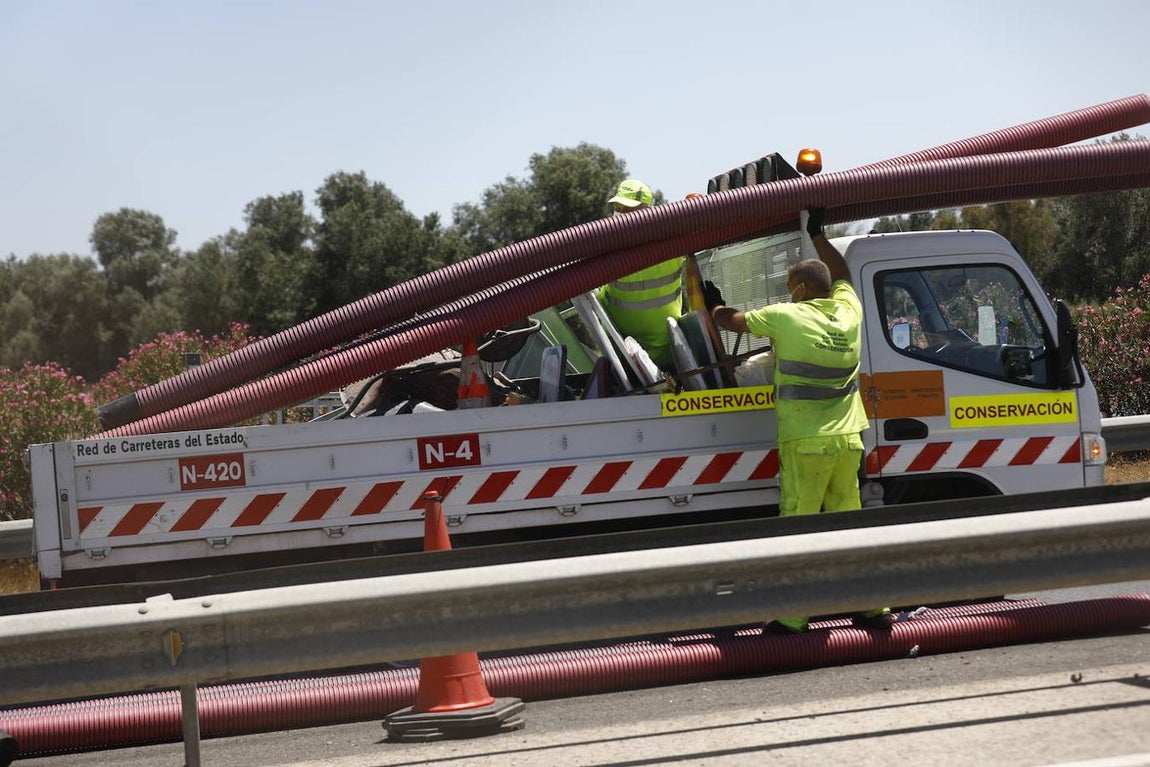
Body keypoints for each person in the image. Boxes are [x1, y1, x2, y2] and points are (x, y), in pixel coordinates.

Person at [709, 208, 892, 633]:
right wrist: (818, 235)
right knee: (849, 524)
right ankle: (872, 607)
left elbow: (734, 322)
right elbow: (842, 273)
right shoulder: (849, 311)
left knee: (799, 526)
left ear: (803, 289)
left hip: (806, 443)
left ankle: (792, 618)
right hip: (848, 440)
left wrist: (712, 302)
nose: (790, 295)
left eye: (793, 288)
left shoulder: (786, 317)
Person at [598, 179, 684, 371]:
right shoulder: (672, 244)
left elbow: (602, 300)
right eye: (618, 208)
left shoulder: (612, 255)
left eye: (628, 209)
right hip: (634, 353)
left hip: (636, 357)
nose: (622, 215)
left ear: (647, 211)